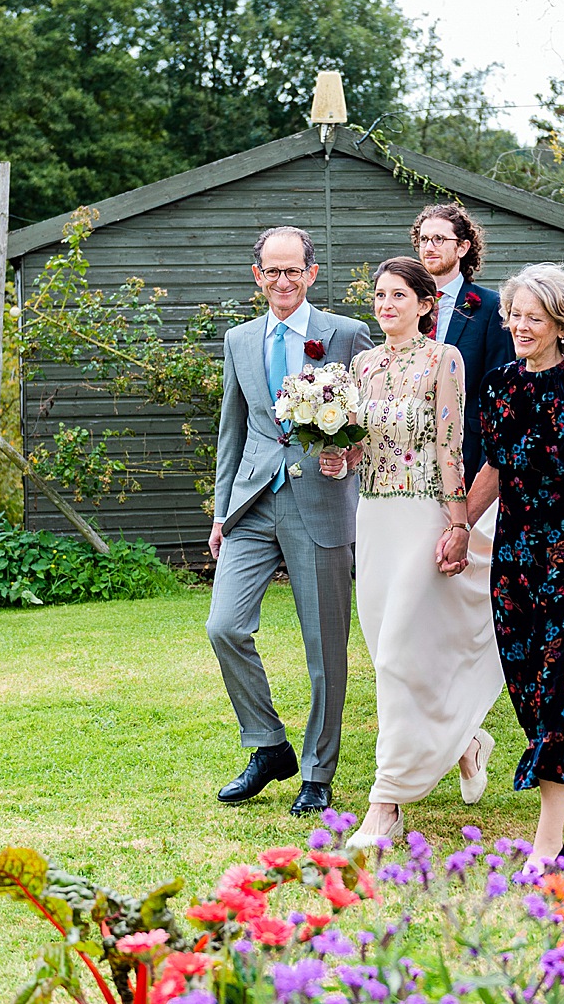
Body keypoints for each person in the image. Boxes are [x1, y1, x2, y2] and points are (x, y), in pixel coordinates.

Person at [205, 225, 373, 815]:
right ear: (258, 276)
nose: (282, 280)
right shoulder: (239, 340)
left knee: (324, 646)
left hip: (322, 506)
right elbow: (232, 429)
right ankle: (268, 745)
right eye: (271, 271)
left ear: (311, 274)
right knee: (224, 625)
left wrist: (346, 454)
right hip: (252, 502)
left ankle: (318, 772)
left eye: (292, 270)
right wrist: (222, 512)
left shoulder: (347, 335)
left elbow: (372, 422)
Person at [337, 258, 503, 850]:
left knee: (397, 657)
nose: (385, 304)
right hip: (375, 515)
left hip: (424, 511)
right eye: (379, 295)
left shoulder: (445, 360)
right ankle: (465, 742)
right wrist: (335, 453)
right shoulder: (362, 364)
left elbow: (450, 446)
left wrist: (459, 524)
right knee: (386, 648)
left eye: (398, 295)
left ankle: (386, 805)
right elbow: (357, 449)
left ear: (426, 304)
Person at [463, 263, 564, 863]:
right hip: (513, 561)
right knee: (531, 691)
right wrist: (459, 526)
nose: (521, 326)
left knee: (560, 690)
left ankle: (548, 842)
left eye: (535, 317)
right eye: (514, 315)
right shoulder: (500, 386)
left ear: (561, 324)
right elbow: (494, 468)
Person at [411, 203, 515, 485]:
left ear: (463, 247)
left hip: (468, 450)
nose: (429, 247)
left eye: (439, 239)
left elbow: (501, 390)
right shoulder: (405, 303)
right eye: (423, 239)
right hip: (409, 452)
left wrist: (488, 464)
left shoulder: (491, 306)